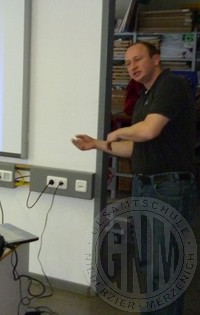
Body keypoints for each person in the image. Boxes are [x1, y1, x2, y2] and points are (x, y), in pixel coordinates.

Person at [73, 42, 197, 314]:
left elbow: (149, 131)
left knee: (163, 265)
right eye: (128, 63)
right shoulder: (144, 99)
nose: (132, 67)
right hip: (146, 185)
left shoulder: (171, 85)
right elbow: (134, 147)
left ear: (156, 58)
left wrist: (119, 132)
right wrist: (96, 144)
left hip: (169, 187)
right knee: (149, 263)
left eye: (138, 59)